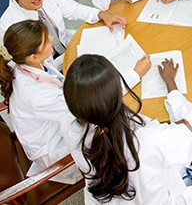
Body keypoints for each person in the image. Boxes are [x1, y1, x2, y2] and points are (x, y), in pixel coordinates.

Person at [0, 20, 151, 183]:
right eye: (46, 40)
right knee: (124, 126)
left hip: (56, 123)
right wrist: (134, 74)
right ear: (34, 56)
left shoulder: (26, 63)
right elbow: (90, 103)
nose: (52, 38)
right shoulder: (36, 94)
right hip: (57, 151)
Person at [61, 55, 192, 204]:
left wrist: (134, 74)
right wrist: (171, 83)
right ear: (118, 95)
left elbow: (95, 99)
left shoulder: (68, 125)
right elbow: (190, 132)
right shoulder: (149, 140)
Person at [0, 0, 126, 69]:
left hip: (68, 46)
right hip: (50, 69)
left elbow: (73, 9)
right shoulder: (8, 27)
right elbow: (29, 68)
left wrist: (102, 14)